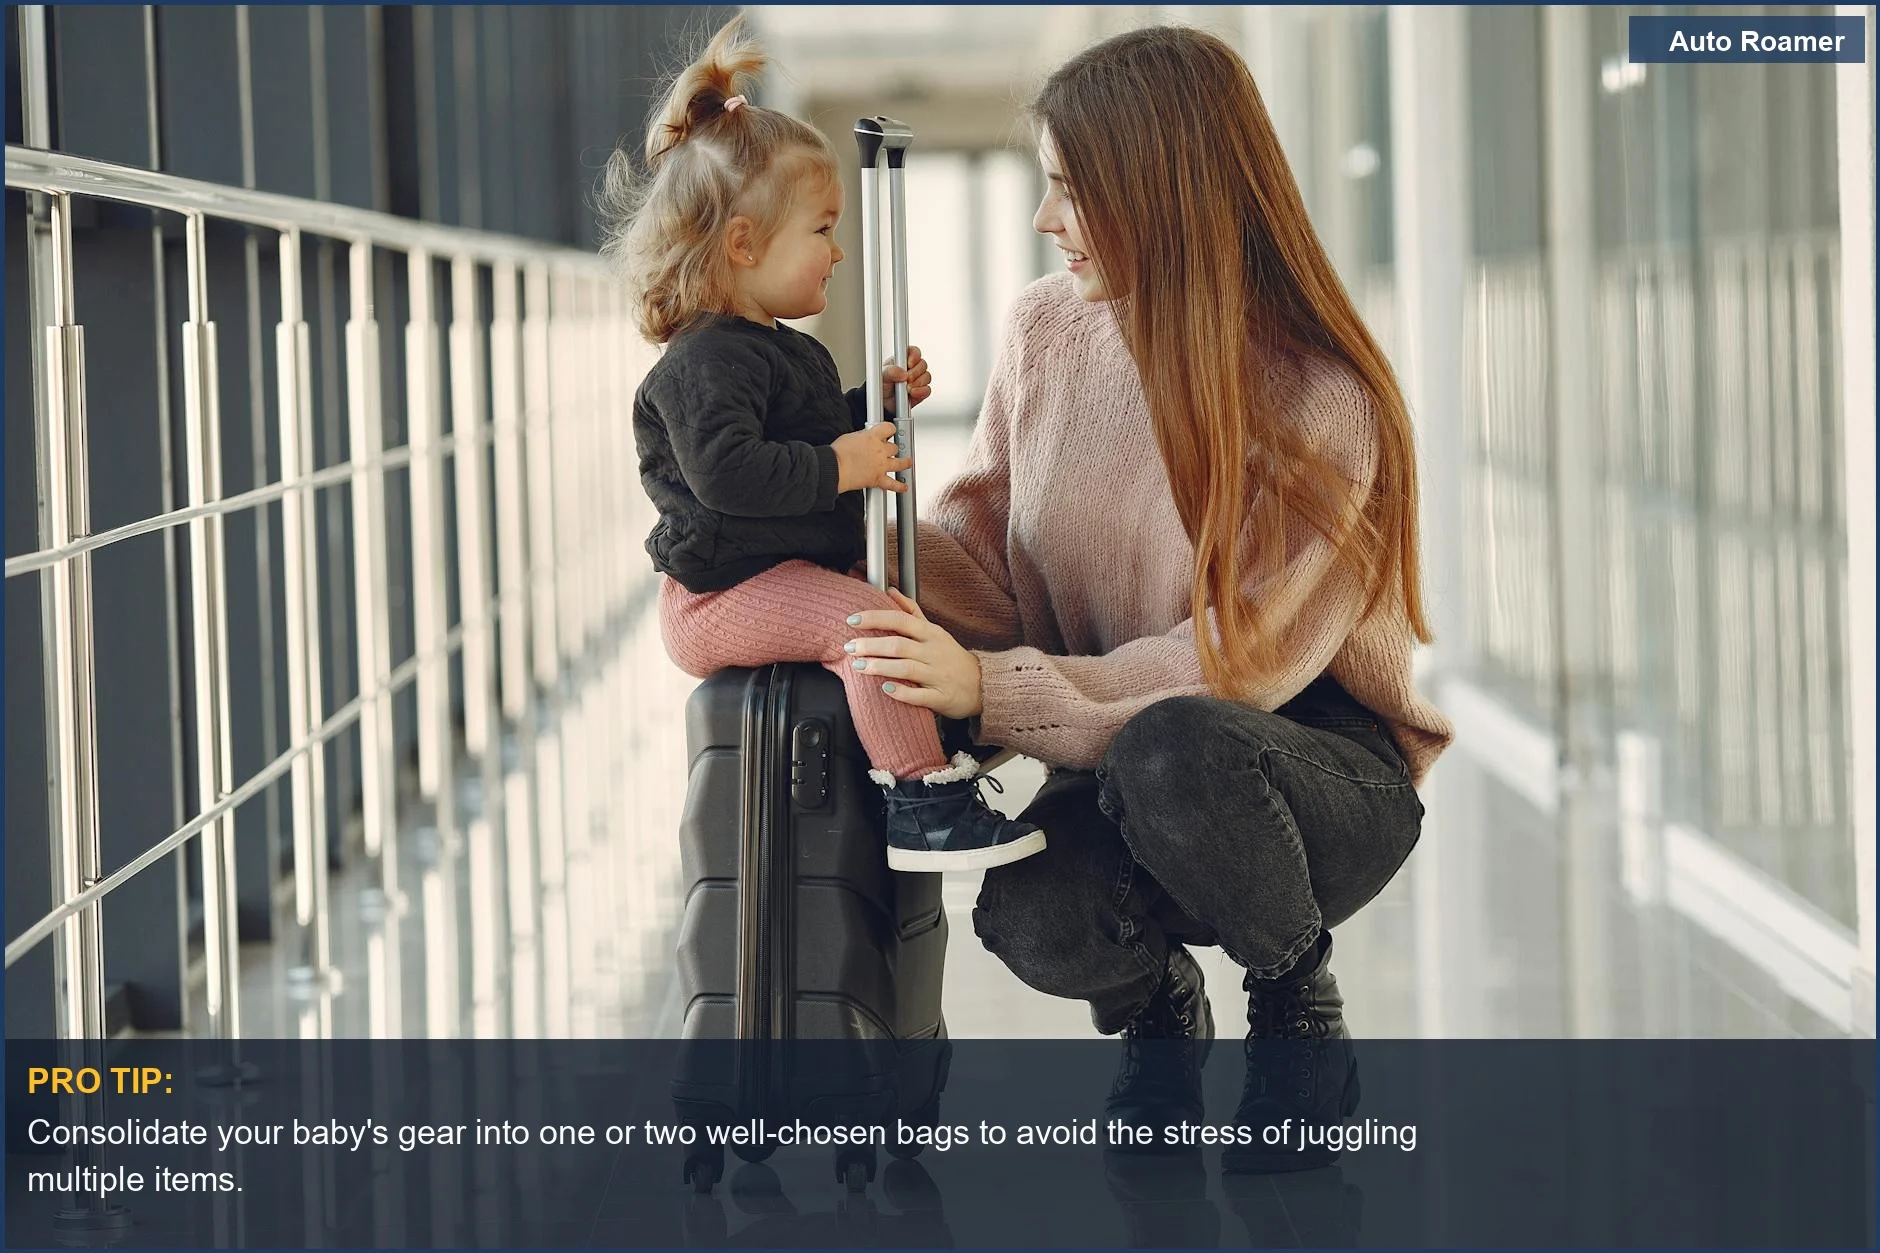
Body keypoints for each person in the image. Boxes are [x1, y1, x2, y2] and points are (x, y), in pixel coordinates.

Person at [843, 25, 1453, 1169]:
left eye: (1071, 189)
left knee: (1176, 745)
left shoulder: (1319, 396)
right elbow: (985, 559)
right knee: (1028, 913)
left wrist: (991, 690)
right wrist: (853, 504)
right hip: (1118, 756)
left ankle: (1295, 1007)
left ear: (1161, 190)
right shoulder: (1044, 330)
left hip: (1306, 772)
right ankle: (1159, 1012)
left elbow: (1236, 664)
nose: (1045, 219)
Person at [599, 16, 1046, 873]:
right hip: (719, 595)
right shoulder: (702, 361)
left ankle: (950, 716)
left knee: (910, 582)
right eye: (822, 230)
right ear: (743, 244)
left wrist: (869, 406)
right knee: (863, 624)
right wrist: (845, 463)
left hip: (778, 566)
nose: (839, 253)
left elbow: (799, 434)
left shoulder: (779, 347)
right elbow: (731, 473)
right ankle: (921, 799)